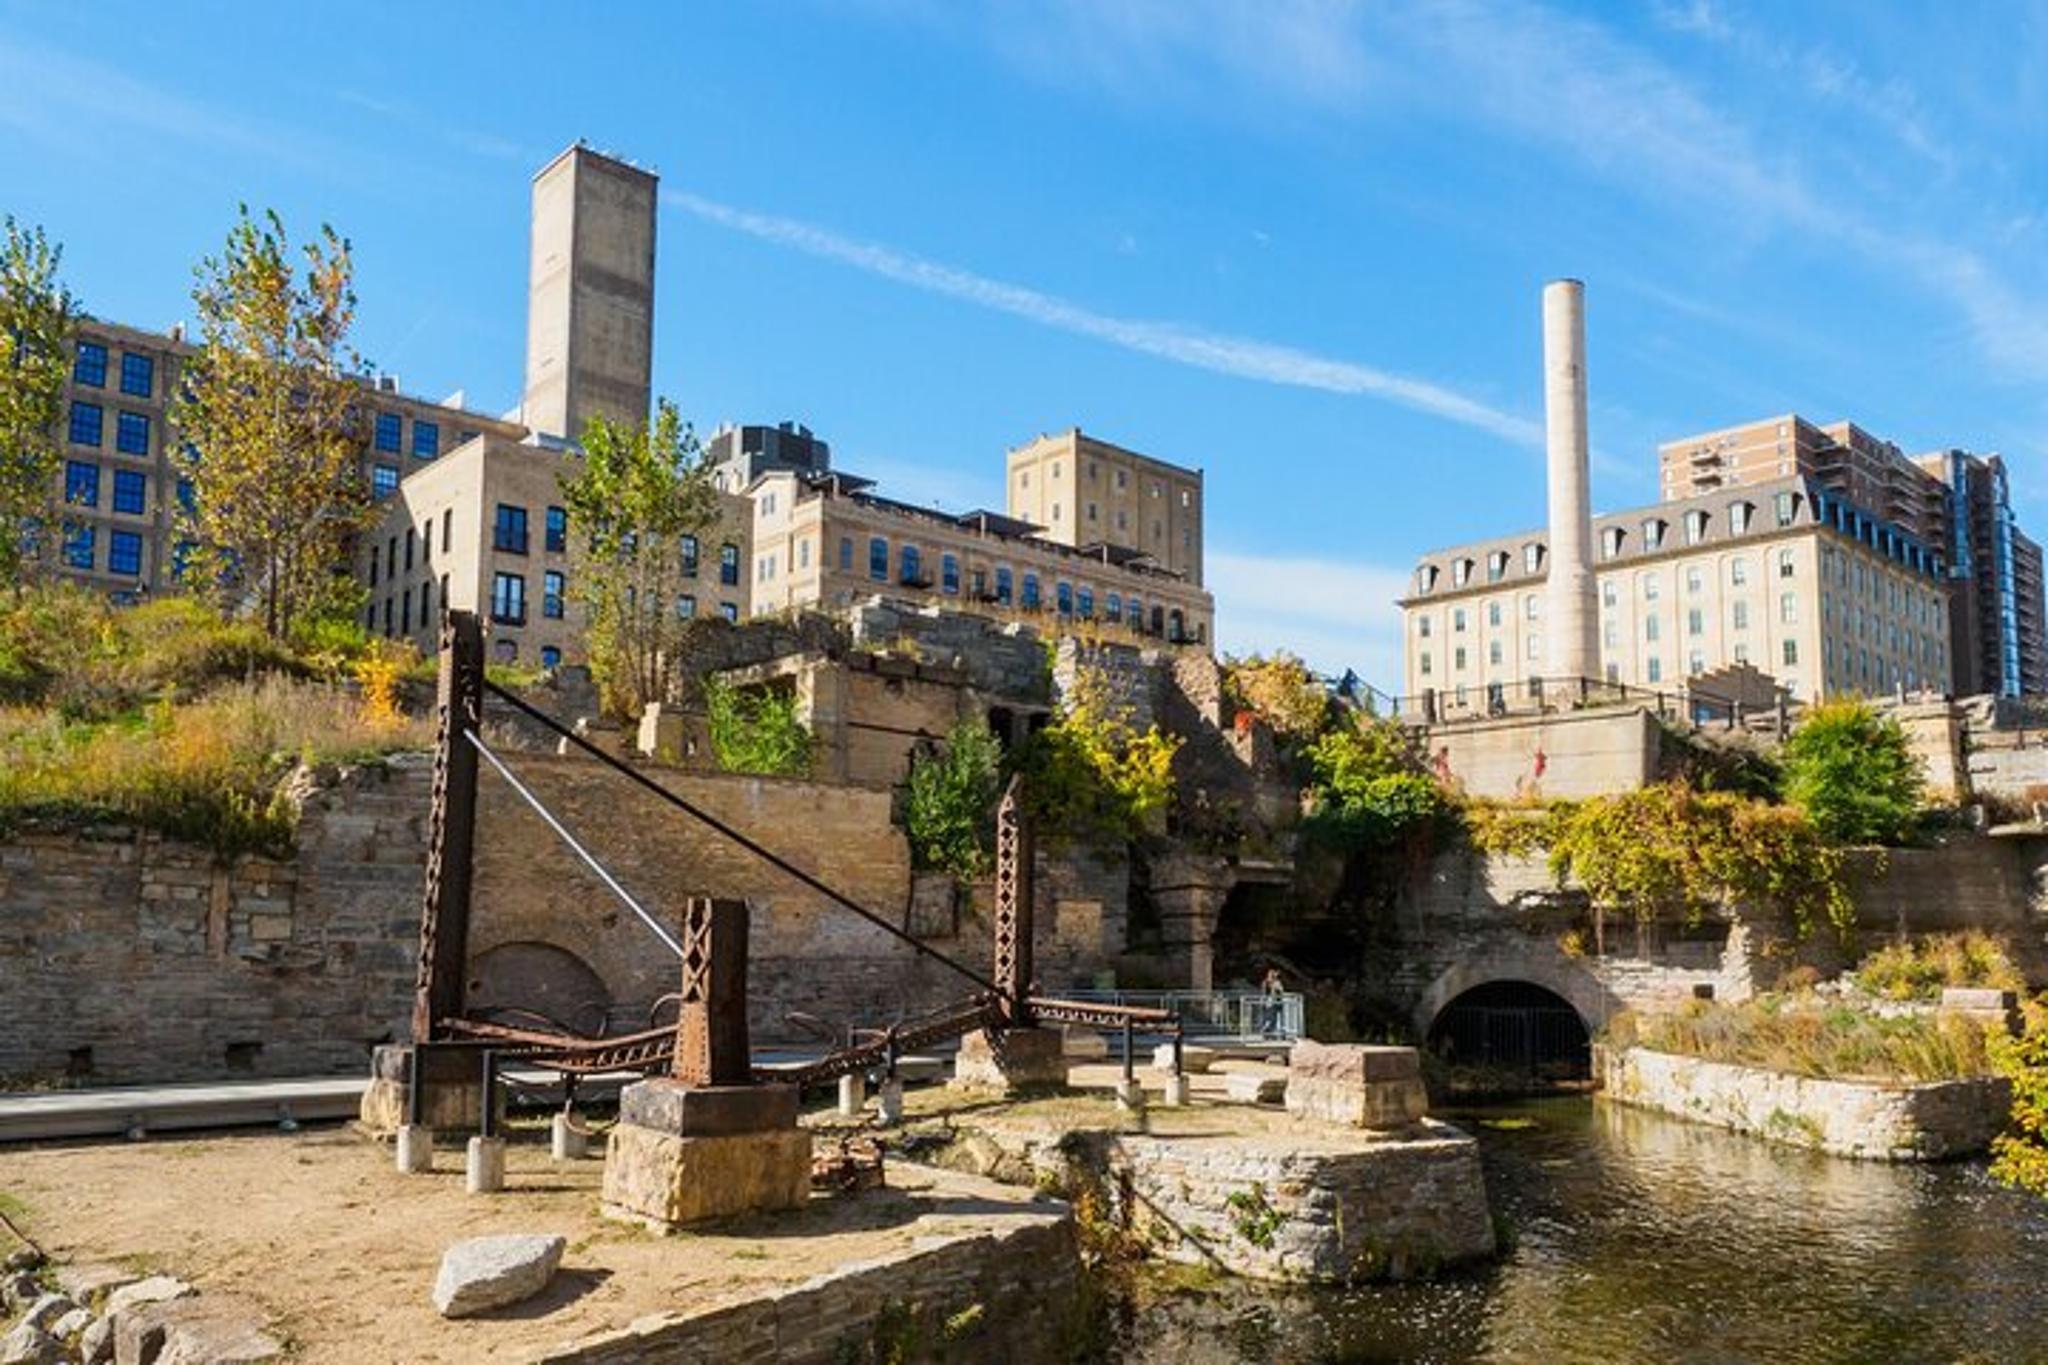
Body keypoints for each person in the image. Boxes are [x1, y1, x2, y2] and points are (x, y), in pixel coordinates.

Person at [1259, 967, 1285, 1037]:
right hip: (1269, 1002)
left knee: (1273, 1019)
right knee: (1269, 1018)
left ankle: (1270, 1032)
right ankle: (1266, 1031)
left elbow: (1280, 990)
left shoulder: (1275, 983)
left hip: (1274, 1003)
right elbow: (1265, 991)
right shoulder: (1267, 983)